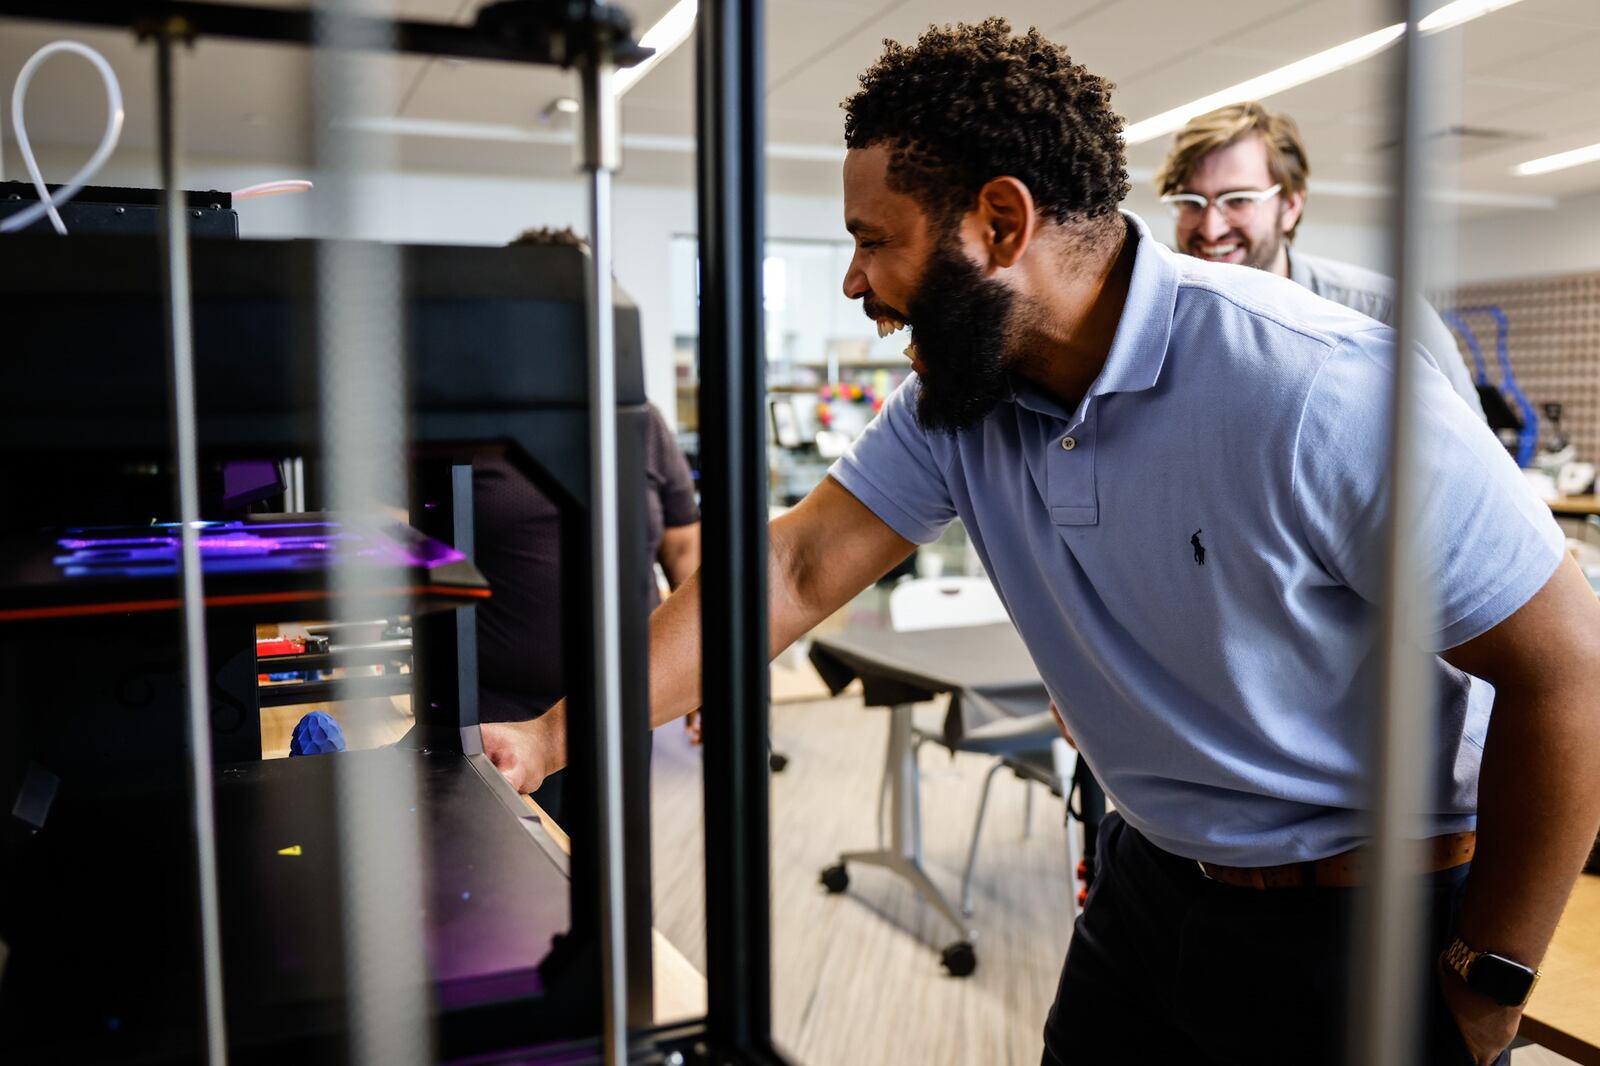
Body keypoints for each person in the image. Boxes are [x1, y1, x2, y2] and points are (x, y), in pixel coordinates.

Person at [485, 20, 1600, 1066]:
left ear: (1001, 224)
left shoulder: (1313, 388)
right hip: (1146, 883)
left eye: (876, 242)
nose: (854, 281)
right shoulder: (955, 407)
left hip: (1359, 920)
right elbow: (789, 566)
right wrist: (545, 737)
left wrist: (1484, 982)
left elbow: (1571, 672)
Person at [1155, 101, 1487, 419]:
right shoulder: (1150, 320)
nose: (1211, 228)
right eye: (1191, 202)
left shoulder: (1383, 313)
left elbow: (1478, 462)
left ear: (1290, 207)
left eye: (1239, 200)